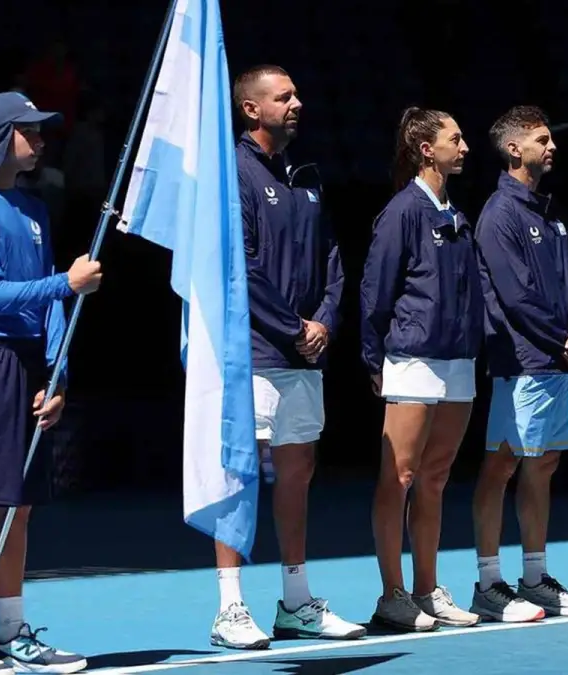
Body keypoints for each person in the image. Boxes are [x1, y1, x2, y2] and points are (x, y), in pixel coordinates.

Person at [0, 91, 97, 675]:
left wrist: (57, 374)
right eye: (30, 129)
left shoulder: (34, 208)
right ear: (2, 138)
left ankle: (9, 632)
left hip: (31, 365)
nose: (41, 137)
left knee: (18, 506)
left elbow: (53, 304)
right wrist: (65, 284)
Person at [210, 64, 363, 650]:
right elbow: (241, 265)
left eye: (297, 94)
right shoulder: (234, 173)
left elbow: (332, 258)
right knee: (240, 475)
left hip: (305, 354)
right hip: (253, 353)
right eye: (284, 96)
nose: (297, 103)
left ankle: (296, 603)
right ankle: (229, 607)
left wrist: (323, 321)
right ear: (251, 109)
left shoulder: (307, 175)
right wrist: (293, 327)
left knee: (298, 473)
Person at [469, 105, 568, 622]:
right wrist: (567, 340)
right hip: (522, 362)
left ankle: (534, 578)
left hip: (561, 360)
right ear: (513, 149)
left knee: (543, 464)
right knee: (502, 465)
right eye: (541, 140)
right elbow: (515, 296)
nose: (552, 147)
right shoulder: (499, 214)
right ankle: (488, 583)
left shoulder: (553, 211)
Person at [360, 106, 484, 632]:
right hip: (412, 358)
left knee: (435, 478)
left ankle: (426, 590)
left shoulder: (456, 214)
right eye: (455, 139)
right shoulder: (402, 211)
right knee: (401, 477)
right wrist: (374, 357)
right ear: (427, 150)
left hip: (458, 361)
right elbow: (375, 291)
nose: (465, 147)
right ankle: (392, 595)